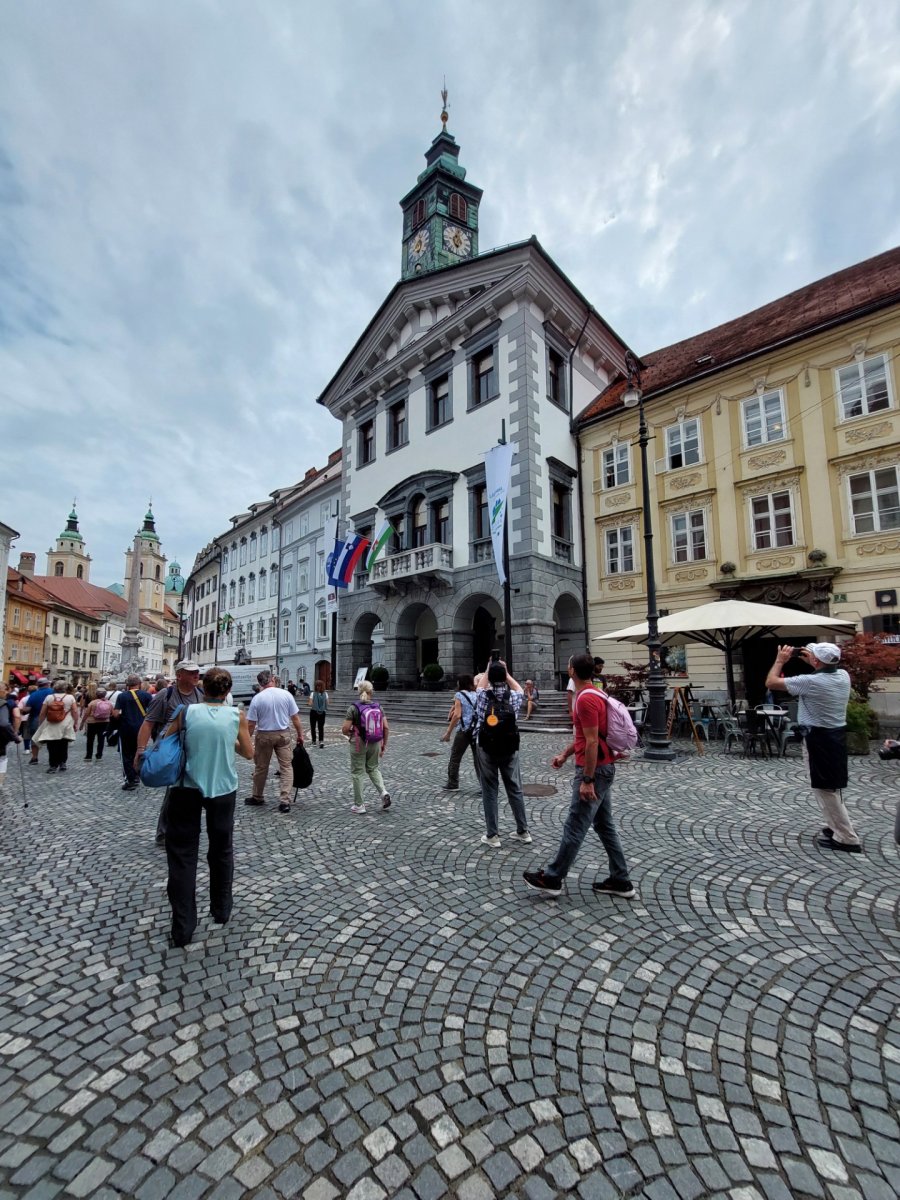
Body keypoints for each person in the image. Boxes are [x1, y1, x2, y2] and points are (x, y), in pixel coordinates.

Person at [524, 652, 635, 898]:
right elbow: (587, 737)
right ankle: (621, 880)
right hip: (604, 767)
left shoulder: (585, 699)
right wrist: (565, 754)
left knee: (575, 825)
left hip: (595, 770)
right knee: (604, 825)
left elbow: (593, 741)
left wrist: (587, 779)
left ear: (572, 670)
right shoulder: (595, 693)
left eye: (568, 665)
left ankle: (553, 878)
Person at [160, 667, 254, 948]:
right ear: (228, 691)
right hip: (223, 788)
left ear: (203, 687)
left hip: (185, 788)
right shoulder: (236, 715)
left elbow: (165, 741)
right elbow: (248, 753)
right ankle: (221, 909)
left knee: (182, 855)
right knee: (222, 850)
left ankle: (183, 928)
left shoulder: (186, 713)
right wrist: (228, 739)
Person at [765, 642, 861, 853]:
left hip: (819, 738)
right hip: (835, 735)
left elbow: (771, 682)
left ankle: (847, 837)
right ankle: (836, 826)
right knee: (831, 786)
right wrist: (814, 659)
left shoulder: (810, 682)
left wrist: (780, 660)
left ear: (816, 660)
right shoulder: (843, 676)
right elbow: (823, 667)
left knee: (825, 788)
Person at [135, 661, 205, 844]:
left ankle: (185, 828)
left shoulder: (200, 694)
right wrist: (141, 750)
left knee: (191, 790)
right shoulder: (165, 695)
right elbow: (148, 723)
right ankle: (164, 832)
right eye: (191, 672)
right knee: (174, 789)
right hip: (172, 749)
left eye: (197, 672)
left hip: (194, 749)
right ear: (179, 675)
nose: (196, 675)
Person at [473, 660, 530, 847]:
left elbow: (479, 687)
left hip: (486, 748)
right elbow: (519, 688)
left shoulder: (482, 696)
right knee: (515, 788)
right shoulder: (514, 697)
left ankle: (493, 835)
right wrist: (506, 673)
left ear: (489, 677)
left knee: (490, 790)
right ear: (504, 677)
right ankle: (523, 831)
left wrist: (488, 668)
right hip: (509, 748)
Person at [245, 669, 305, 814]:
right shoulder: (286, 694)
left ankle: (257, 796)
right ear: (272, 679)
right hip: (283, 735)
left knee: (261, 767)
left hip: (264, 735)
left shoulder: (257, 699)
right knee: (286, 767)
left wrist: (246, 739)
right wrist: (300, 735)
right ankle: (285, 801)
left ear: (260, 683)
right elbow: (295, 718)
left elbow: (251, 724)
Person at [342, 680, 391, 814]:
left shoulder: (354, 708)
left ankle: (359, 805)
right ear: (371, 692)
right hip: (375, 741)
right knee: (373, 768)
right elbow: (386, 727)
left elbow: (345, 729)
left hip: (358, 742)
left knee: (358, 772)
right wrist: (384, 745)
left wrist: (351, 733)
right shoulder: (378, 707)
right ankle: (383, 792)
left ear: (359, 691)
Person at [113, 675, 153, 792]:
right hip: (142, 728)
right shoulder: (146, 695)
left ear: (127, 684)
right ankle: (138, 774)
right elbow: (152, 712)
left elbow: (115, 714)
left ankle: (130, 780)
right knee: (139, 751)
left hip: (126, 728)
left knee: (126, 754)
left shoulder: (122, 696)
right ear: (139, 684)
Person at [441, 674, 480, 790]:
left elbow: (457, 715)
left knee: (455, 757)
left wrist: (448, 732)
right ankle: (485, 786)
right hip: (476, 730)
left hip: (464, 730)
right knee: (478, 759)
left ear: (461, 683)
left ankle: (453, 783)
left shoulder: (459, 695)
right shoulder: (476, 694)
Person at [32, 680, 79, 773]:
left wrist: (41, 723)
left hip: (51, 723)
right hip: (66, 723)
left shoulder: (49, 697)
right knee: (63, 744)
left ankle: (53, 765)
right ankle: (62, 763)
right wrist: (75, 723)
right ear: (65, 688)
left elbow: (42, 712)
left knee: (52, 745)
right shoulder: (70, 697)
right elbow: (75, 711)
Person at [20, 678, 53, 764]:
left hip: (36, 718)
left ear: (38, 685)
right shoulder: (53, 692)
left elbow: (27, 709)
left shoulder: (34, 694)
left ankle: (34, 758)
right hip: (52, 719)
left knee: (34, 738)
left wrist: (21, 711)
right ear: (47, 684)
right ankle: (54, 760)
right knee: (53, 739)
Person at [82, 688, 113, 761]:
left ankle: (89, 756)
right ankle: (99, 756)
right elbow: (112, 713)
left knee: (90, 740)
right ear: (105, 695)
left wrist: (82, 722)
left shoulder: (92, 703)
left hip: (92, 722)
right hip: (104, 722)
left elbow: (87, 713)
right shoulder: (109, 703)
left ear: (96, 695)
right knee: (101, 740)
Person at [308, 680, 329, 747]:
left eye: (318, 686)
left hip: (314, 711)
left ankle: (314, 741)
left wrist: (313, 703)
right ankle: (321, 741)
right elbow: (327, 703)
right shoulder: (325, 694)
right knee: (321, 727)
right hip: (322, 712)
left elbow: (310, 703)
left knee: (313, 727)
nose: (318, 687)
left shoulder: (313, 693)